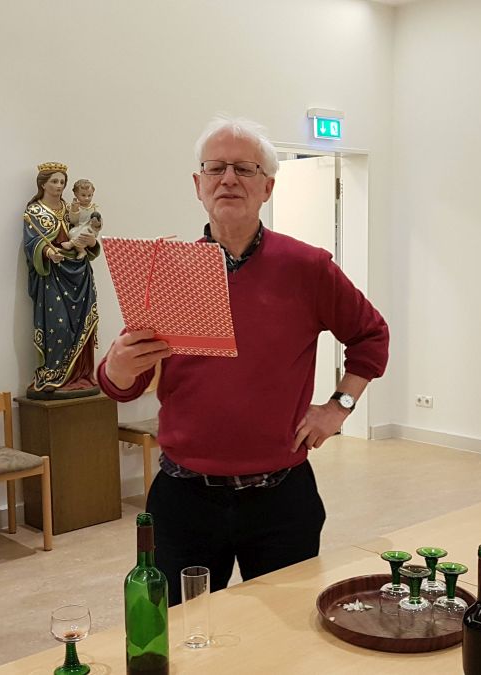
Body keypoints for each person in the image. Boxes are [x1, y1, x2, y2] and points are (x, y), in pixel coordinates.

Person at [97, 115, 389, 604]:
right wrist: (117, 369)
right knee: (182, 628)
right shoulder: (168, 269)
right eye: (215, 168)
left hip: (281, 498)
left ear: (267, 187)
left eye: (244, 168)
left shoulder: (307, 267)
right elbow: (122, 380)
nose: (228, 179)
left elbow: (371, 336)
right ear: (198, 185)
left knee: (282, 631)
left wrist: (338, 407)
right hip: (184, 498)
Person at [23, 163, 100, 398]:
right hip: (53, 275)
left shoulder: (72, 209)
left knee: (82, 323)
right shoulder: (34, 212)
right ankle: (53, 373)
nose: (59, 186)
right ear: (43, 184)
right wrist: (48, 252)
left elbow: (88, 230)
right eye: (54, 181)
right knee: (59, 325)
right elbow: (31, 243)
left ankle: (80, 374)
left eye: (62, 182)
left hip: (80, 273)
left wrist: (91, 242)